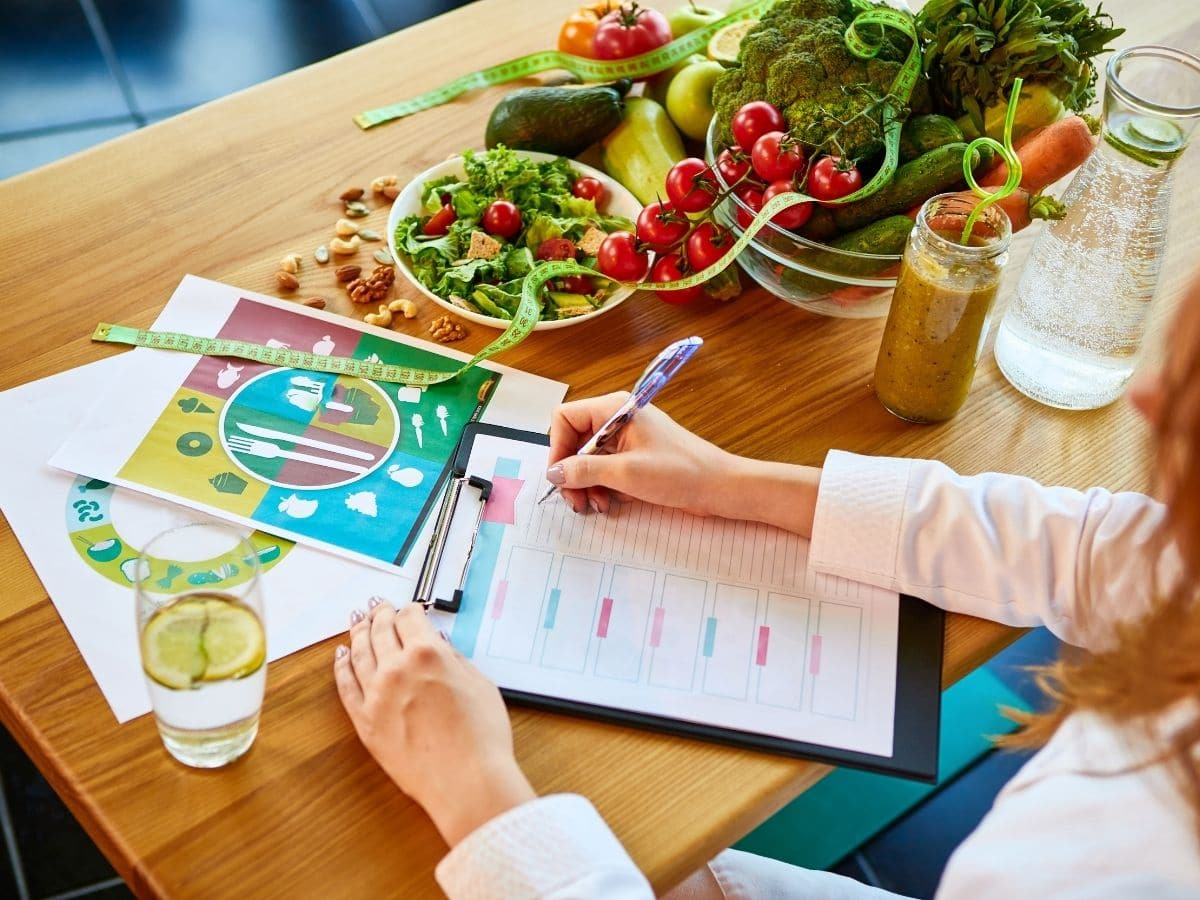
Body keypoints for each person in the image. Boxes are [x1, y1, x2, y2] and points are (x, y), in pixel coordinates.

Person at [332, 274, 1200, 899]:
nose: (1148, 394)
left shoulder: (1141, 862)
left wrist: (474, 790)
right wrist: (727, 481)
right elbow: (1099, 548)